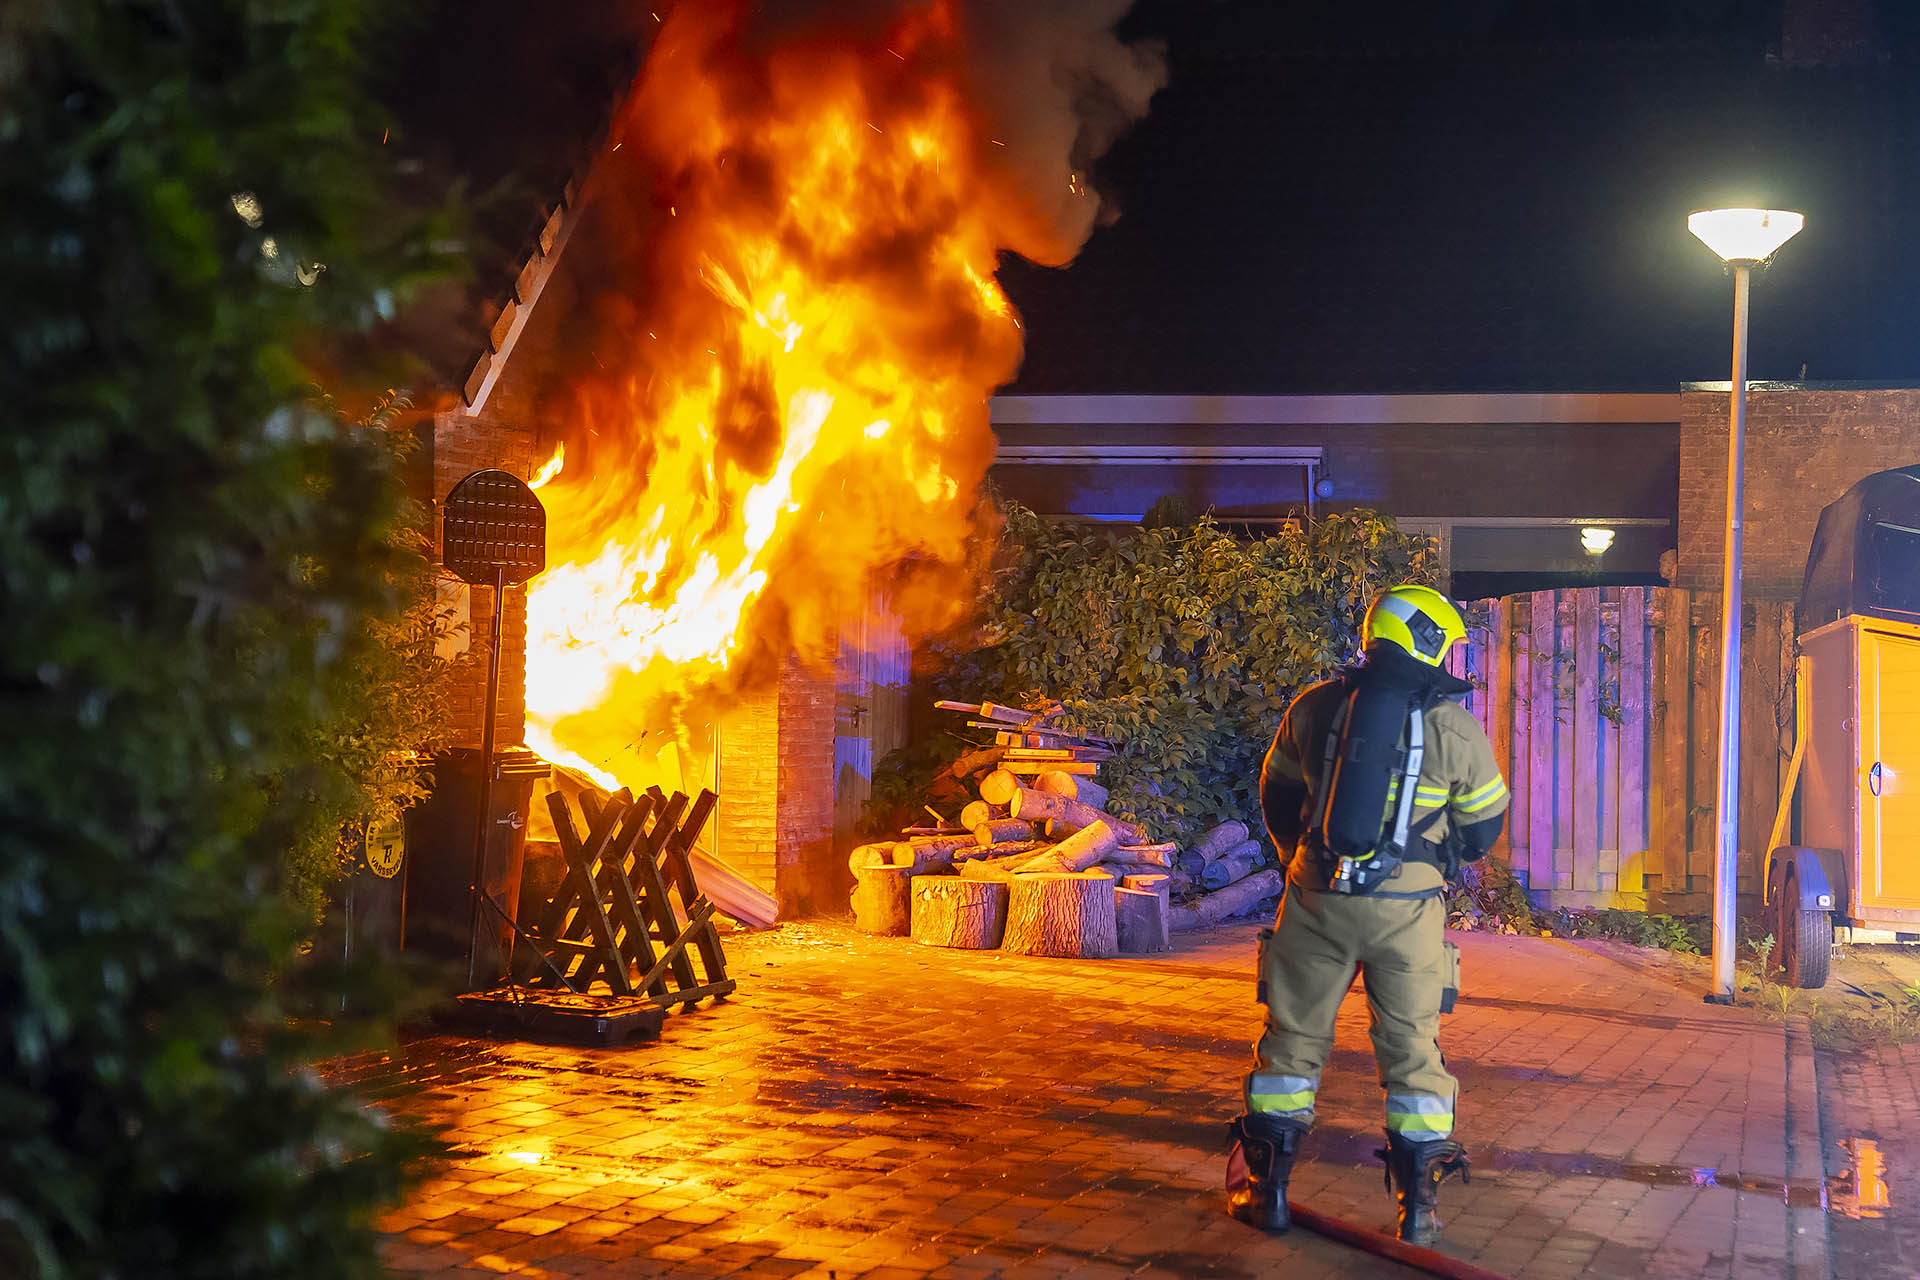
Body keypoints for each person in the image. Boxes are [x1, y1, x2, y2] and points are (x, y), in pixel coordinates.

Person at [1226, 584, 1509, 1245]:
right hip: (1407, 915)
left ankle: (1264, 1193)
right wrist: (1434, 863)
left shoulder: (1315, 706)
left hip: (1315, 902)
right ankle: (1421, 1212)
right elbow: (1483, 825)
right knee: (1414, 1055)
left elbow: (1277, 790)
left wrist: (1299, 858)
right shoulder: (1455, 728)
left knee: (1292, 1047)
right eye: (1452, 646)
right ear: (1429, 641)